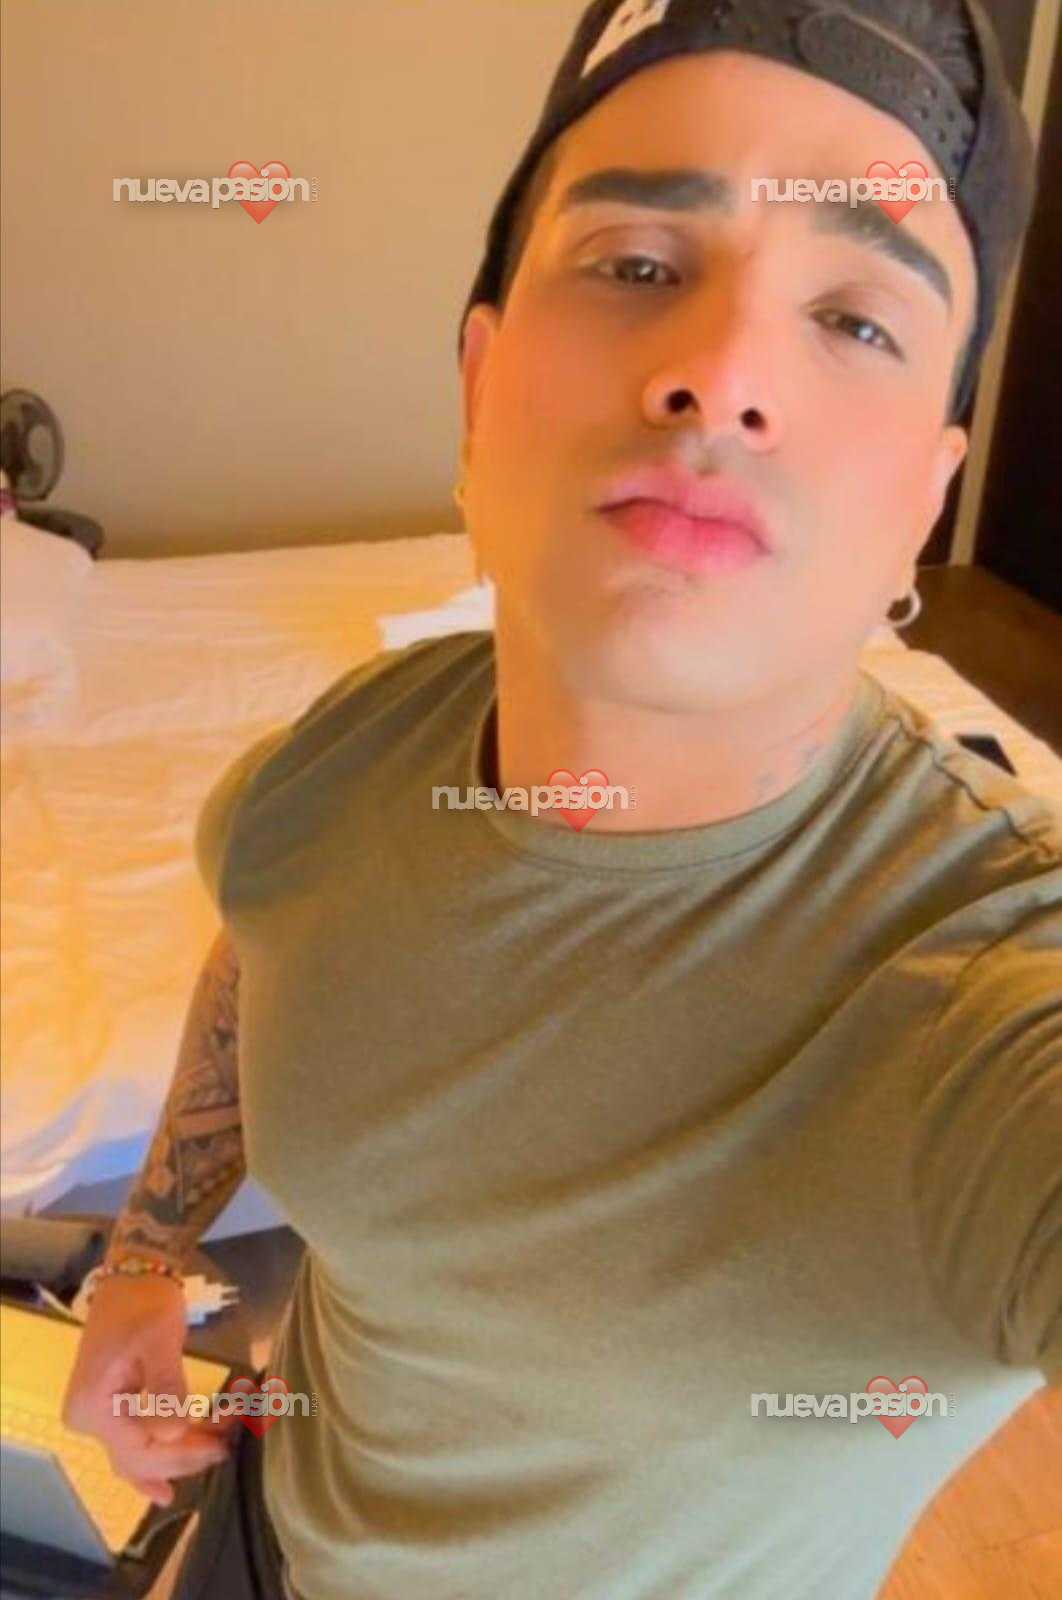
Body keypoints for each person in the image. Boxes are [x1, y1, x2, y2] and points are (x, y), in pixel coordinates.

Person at [62, 2, 1060, 1596]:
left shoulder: (990, 972)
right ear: (480, 383)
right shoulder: (348, 759)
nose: (720, 374)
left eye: (857, 320)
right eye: (638, 266)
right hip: (260, 1537)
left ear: (920, 503)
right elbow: (266, 937)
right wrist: (143, 1259)